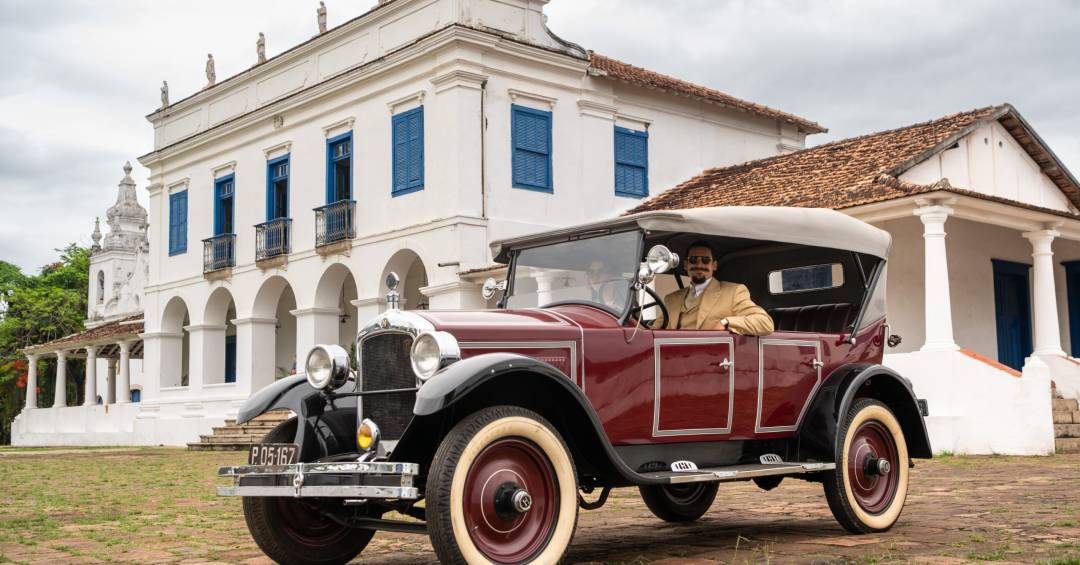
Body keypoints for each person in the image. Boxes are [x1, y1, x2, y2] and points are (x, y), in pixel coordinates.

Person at [661, 241, 773, 335]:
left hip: (710, 357)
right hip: (671, 357)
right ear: (686, 265)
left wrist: (726, 322)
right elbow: (650, 330)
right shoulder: (671, 299)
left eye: (706, 260)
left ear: (714, 265)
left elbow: (765, 323)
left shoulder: (733, 292)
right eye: (693, 260)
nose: (699, 265)